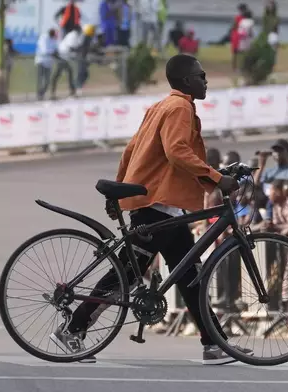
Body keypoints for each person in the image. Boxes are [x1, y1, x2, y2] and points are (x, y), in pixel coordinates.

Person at [53, 54, 246, 365]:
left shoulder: (159, 107)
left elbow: (131, 150)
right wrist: (217, 178)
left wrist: (118, 188)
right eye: (201, 75)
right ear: (186, 81)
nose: (206, 80)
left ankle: (214, 343)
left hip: (165, 207)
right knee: (124, 277)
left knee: (189, 275)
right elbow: (176, 150)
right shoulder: (180, 107)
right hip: (156, 205)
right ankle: (72, 329)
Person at [51, 24, 83, 99]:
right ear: (77, 30)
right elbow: (71, 47)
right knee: (63, 73)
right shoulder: (73, 35)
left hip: (64, 56)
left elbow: (76, 46)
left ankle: (54, 92)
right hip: (62, 56)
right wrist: (78, 51)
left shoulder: (74, 35)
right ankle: (70, 92)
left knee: (62, 73)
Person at [35, 29, 59, 101]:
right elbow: (44, 50)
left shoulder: (54, 40)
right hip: (41, 61)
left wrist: (56, 52)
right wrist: (53, 53)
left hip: (49, 62)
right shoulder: (44, 38)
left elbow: (56, 49)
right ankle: (39, 95)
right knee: (40, 79)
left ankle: (42, 93)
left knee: (47, 81)